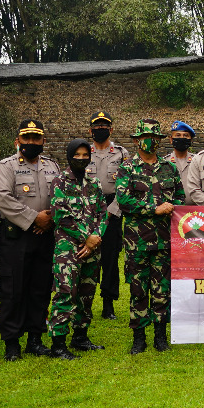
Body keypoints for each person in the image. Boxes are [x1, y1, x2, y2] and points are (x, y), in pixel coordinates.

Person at [0, 118, 61, 361]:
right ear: (18, 141)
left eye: (36, 138)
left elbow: (62, 194)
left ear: (43, 140)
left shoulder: (52, 166)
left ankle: (35, 339)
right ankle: (12, 343)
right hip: (16, 237)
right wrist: (34, 218)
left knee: (40, 288)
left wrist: (51, 218)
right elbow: (2, 198)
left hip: (46, 236)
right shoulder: (6, 166)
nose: (31, 142)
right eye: (26, 138)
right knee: (12, 290)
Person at [115, 119, 185, 354]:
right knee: (138, 289)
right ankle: (139, 337)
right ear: (136, 140)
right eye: (146, 137)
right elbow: (123, 200)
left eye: (155, 138)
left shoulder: (169, 168)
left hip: (164, 241)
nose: (150, 141)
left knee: (162, 290)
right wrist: (153, 208)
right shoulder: (127, 168)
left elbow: (180, 197)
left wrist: (171, 206)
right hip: (137, 241)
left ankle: (160, 336)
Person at [46, 138, 108, 359]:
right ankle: (58, 345)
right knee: (65, 293)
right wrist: (86, 238)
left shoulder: (94, 183)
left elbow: (103, 213)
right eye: (77, 155)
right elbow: (60, 215)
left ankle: (81, 337)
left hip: (92, 248)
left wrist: (96, 238)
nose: (81, 159)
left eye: (85, 155)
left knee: (86, 294)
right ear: (69, 157)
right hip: (68, 249)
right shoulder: (59, 182)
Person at [86, 112, 128, 322]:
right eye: (97, 125)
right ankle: (84, 302)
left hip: (113, 208)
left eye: (105, 125)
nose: (100, 129)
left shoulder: (121, 153)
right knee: (87, 256)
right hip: (88, 210)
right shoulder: (83, 152)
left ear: (111, 129)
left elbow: (126, 185)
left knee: (110, 259)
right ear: (90, 130)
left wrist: (113, 210)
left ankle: (108, 304)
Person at [165, 120, 196, 196]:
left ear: (190, 140)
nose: (182, 138)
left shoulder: (197, 161)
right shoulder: (164, 163)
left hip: (195, 207)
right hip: (171, 207)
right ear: (171, 140)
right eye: (178, 135)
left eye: (185, 135)